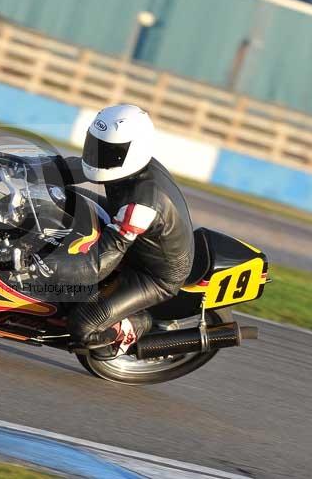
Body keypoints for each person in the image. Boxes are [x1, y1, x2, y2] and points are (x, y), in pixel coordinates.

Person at [36, 104, 196, 358]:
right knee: (60, 202)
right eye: (97, 146)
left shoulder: (142, 205)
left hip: (152, 273)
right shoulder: (125, 164)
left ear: (132, 151)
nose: (99, 156)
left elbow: (101, 261)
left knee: (82, 325)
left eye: (109, 152)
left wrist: (51, 267)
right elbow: (78, 168)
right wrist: (26, 167)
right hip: (130, 231)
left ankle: (148, 325)